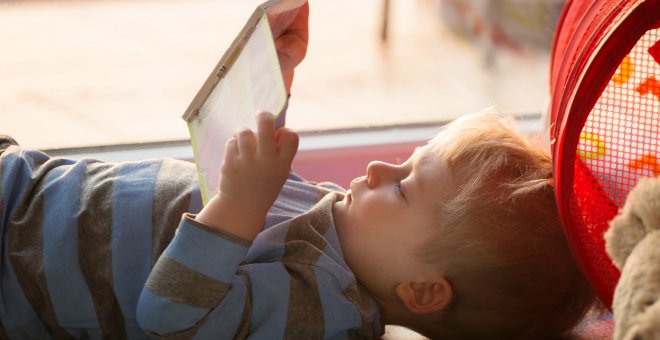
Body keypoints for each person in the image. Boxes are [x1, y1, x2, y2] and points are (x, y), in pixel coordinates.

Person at [0, 3, 596, 339]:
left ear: (421, 291)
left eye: (407, 186)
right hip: (33, 186)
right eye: (406, 162)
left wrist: (239, 207)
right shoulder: (348, 228)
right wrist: (270, 83)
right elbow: (228, 173)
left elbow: (173, 317)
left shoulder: (319, 309)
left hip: (20, 260)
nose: (380, 166)